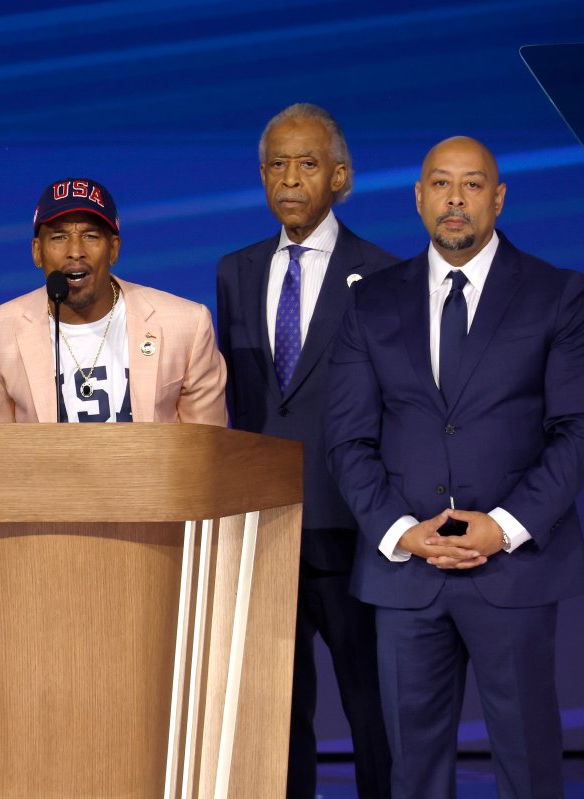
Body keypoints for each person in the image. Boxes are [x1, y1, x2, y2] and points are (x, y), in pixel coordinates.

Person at [326, 136, 584, 797]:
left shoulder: (557, 294)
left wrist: (505, 524)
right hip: (406, 576)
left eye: (473, 184)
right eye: (441, 184)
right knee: (413, 771)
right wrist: (401, 531)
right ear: (419, 197)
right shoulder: (370, 302)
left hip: (515, 566)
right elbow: (347, 439)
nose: (456, 198)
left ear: (499, 197)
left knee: (527, 760)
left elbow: (582, 427)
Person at [216, 103, 395, 799]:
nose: (290, 179)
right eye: (277, 165)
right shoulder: (235, 271)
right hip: (267, 531)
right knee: (279, 717)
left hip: (353, 532)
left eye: (308, 163)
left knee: (371, 711)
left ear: (340, 176)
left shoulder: (382, 274)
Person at [0, 177, 225, 424]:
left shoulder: (186, 325)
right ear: (37, 251)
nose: (75, 252)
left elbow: (205, 449)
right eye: (59, 237)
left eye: (90, 236)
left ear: (113, 249)